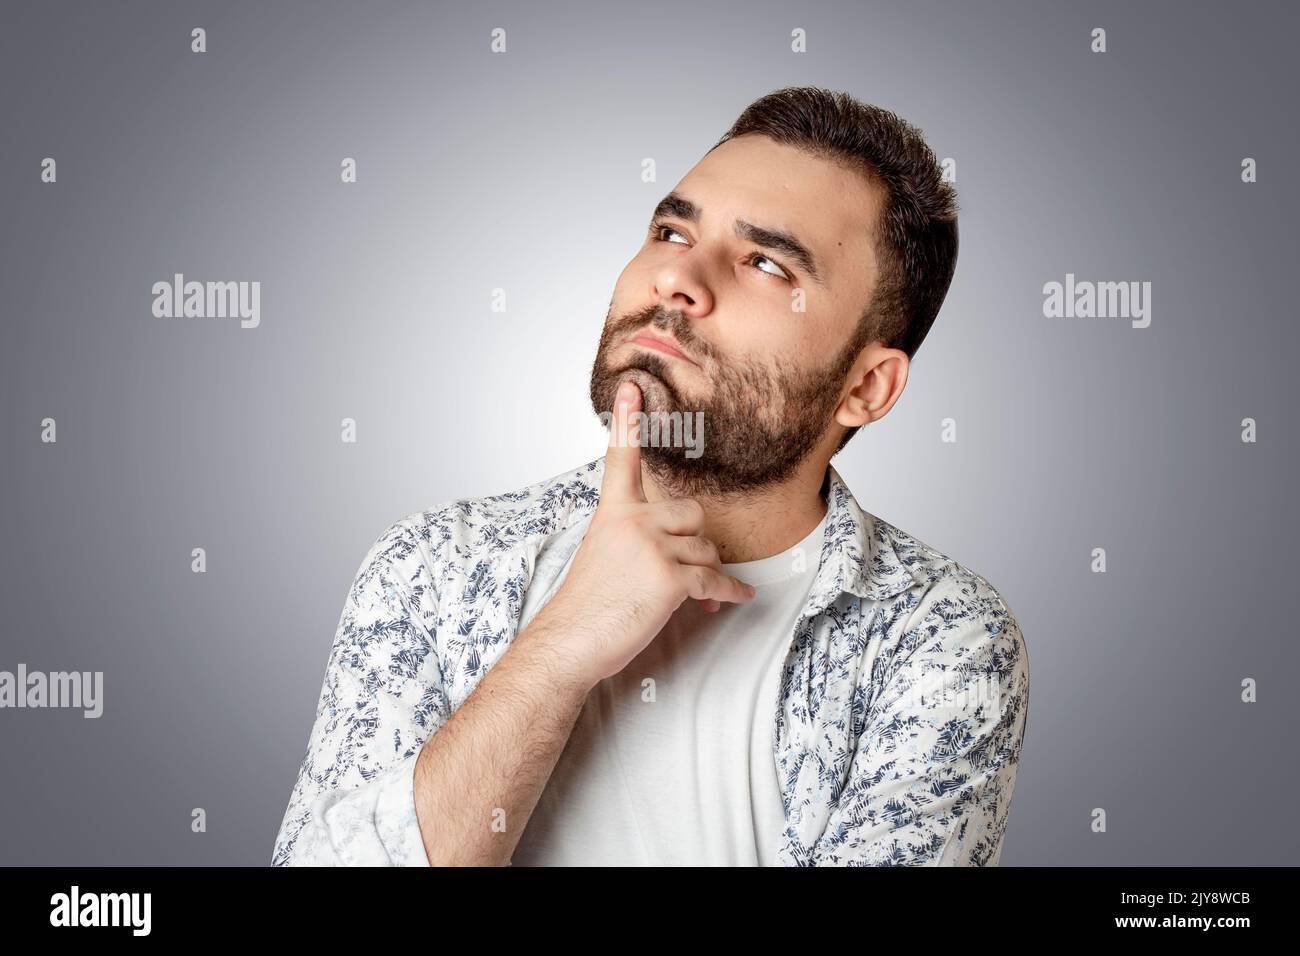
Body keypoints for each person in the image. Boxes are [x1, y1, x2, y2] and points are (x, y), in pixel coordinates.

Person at [272, 86, 1029, 867]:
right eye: (672, 230)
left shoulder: (938, 638)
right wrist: (561, 647)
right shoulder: (436, 566)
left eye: (767, 264)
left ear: (866, 387)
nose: (677, 278)